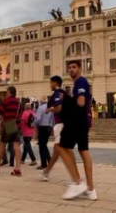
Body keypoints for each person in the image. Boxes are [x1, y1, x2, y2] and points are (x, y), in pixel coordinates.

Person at [58, 60, 97, 200]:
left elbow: (80, 102)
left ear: (80, 69)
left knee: (61, 148)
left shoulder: (80, 82)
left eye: (74, 67)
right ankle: (91, 189)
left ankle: (77, 182)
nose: (71, 70)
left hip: (77, 122)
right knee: (83, 151)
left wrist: (66, 98)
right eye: (69, 68)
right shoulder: (80, 83)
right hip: (83, 122)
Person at [0, 86, 23, 176]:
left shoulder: (6, 101)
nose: (6, 93)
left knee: (2, 145)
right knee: (16, 146)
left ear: (9, 92)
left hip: (8, 126)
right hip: (17, 126)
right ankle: (17, 168)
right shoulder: (19, 102)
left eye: (7, 92)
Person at [40, 76, 65, 181]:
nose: (50, 85)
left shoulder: (56, 93)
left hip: (61, 124)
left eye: (51, 83)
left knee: (58, 149)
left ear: (55, 83)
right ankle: (46, 171)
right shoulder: (64, 92)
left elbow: (59, 108)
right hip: (65, 123)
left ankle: (47, 171)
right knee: (62, 150)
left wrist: (49, 110)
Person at [33, 96, 52, 170]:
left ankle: (44, 163)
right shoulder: (50, 108)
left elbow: (38, 118)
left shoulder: (40, 108)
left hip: (42, 127)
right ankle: (49, 160)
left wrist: (33, 124)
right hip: (48, 127)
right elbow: (52, 119)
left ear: (41, 101)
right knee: (44, 144)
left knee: (41, 146)